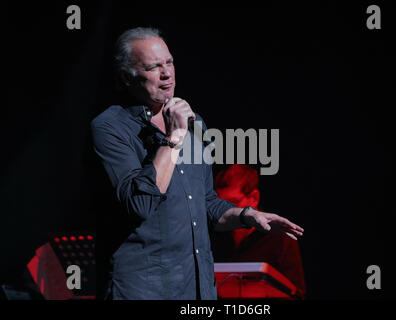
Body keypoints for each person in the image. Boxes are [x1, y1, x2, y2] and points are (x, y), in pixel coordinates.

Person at [90, 27, 304, 300]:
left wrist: (247, 216)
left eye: (169, 62)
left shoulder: (194, 123)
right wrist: (174, 137)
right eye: (153, 67)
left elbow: (207, 204)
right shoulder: (110, 128)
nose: (166, 73)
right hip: (142, 290)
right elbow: (140, 204)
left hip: (196, 289)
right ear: (126, 77)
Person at [211, 164, 306, 299]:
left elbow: (297, 295)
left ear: (254, 198)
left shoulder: (279, 240)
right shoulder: (215, 237)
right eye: (221, 207)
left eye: (233, 203)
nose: (227, 213)